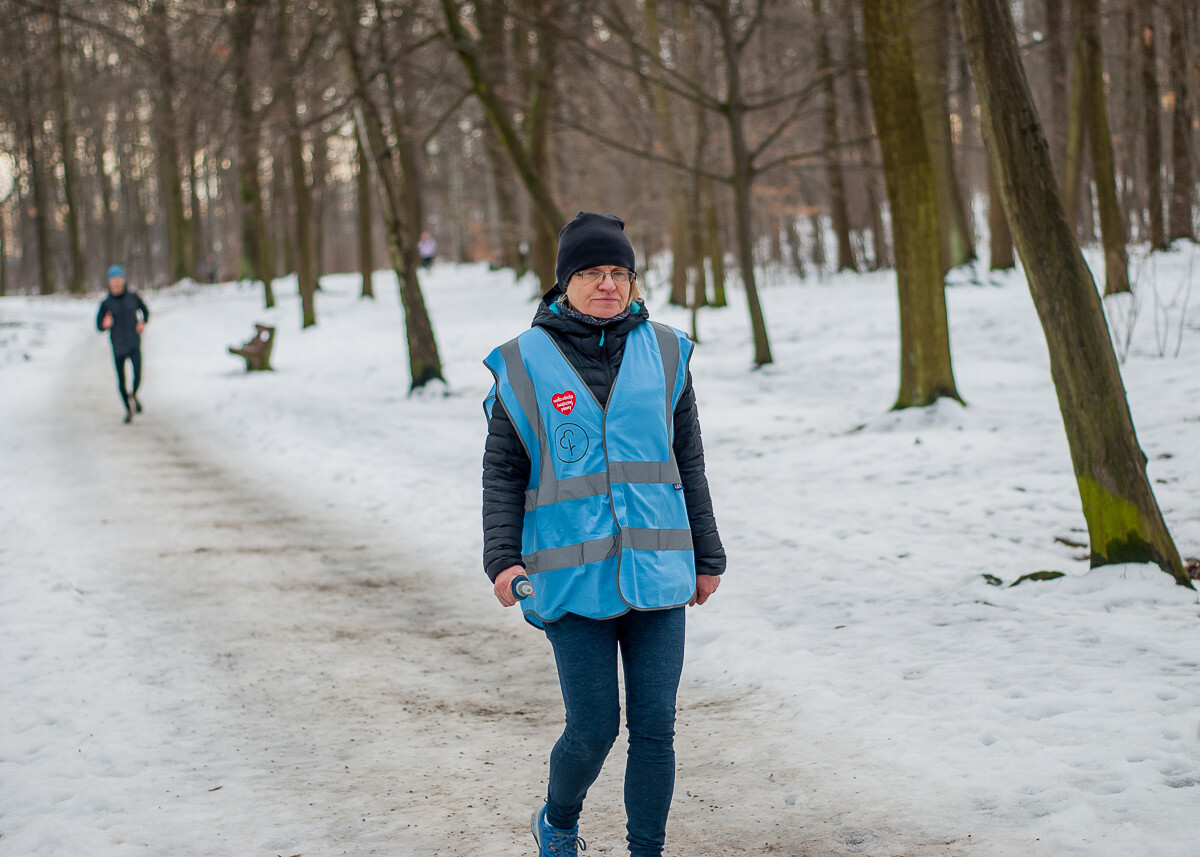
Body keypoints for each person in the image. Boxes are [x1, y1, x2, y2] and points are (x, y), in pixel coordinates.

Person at [482, 212, 725, 857]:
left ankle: (646, 849)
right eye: (592, 273)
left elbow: (688, 460)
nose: (609, 285)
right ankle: (558, 819)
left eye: (620, 273)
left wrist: (708, 553)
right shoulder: (523, 363)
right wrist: (502, 559)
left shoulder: (668, 351)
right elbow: (503, 471)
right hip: (569, 575)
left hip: (659, 569)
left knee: (654, 730)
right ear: (566, 282)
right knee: (592, 729)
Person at [96, 264, 149, 424]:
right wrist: (104, 324)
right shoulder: (106, 303)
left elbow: (145, 311)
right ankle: (128, 409)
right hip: (118, 346)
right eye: (114, 280)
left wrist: (142, 322)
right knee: (121, 382)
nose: (117, 282)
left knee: (138, 376)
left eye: (119, 279)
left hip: (133, 343)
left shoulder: (133, 297)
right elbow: (98, 325)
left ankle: (133, 394)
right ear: (110, 282)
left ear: (124, 280)